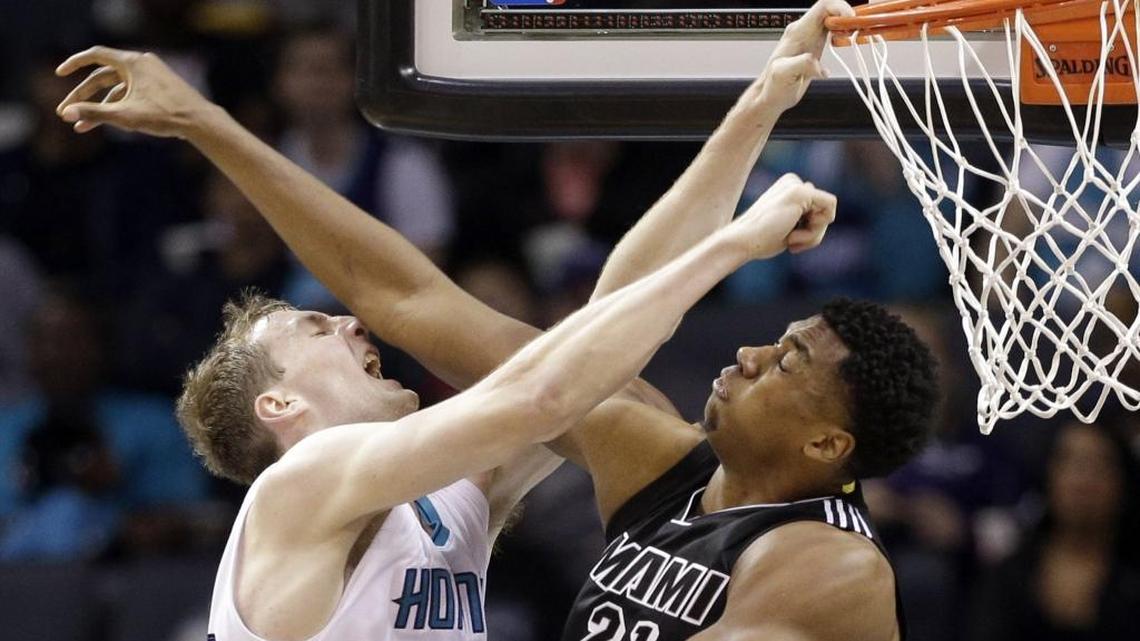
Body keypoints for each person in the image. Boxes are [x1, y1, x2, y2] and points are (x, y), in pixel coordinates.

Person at [55, 2, 932, 639]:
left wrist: (757, 109)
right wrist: (733, 244)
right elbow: (545, 383)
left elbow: (595, 333)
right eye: (316, 332)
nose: (356, 328)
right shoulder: (302, 483)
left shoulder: (450, 500)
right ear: (280, 408)